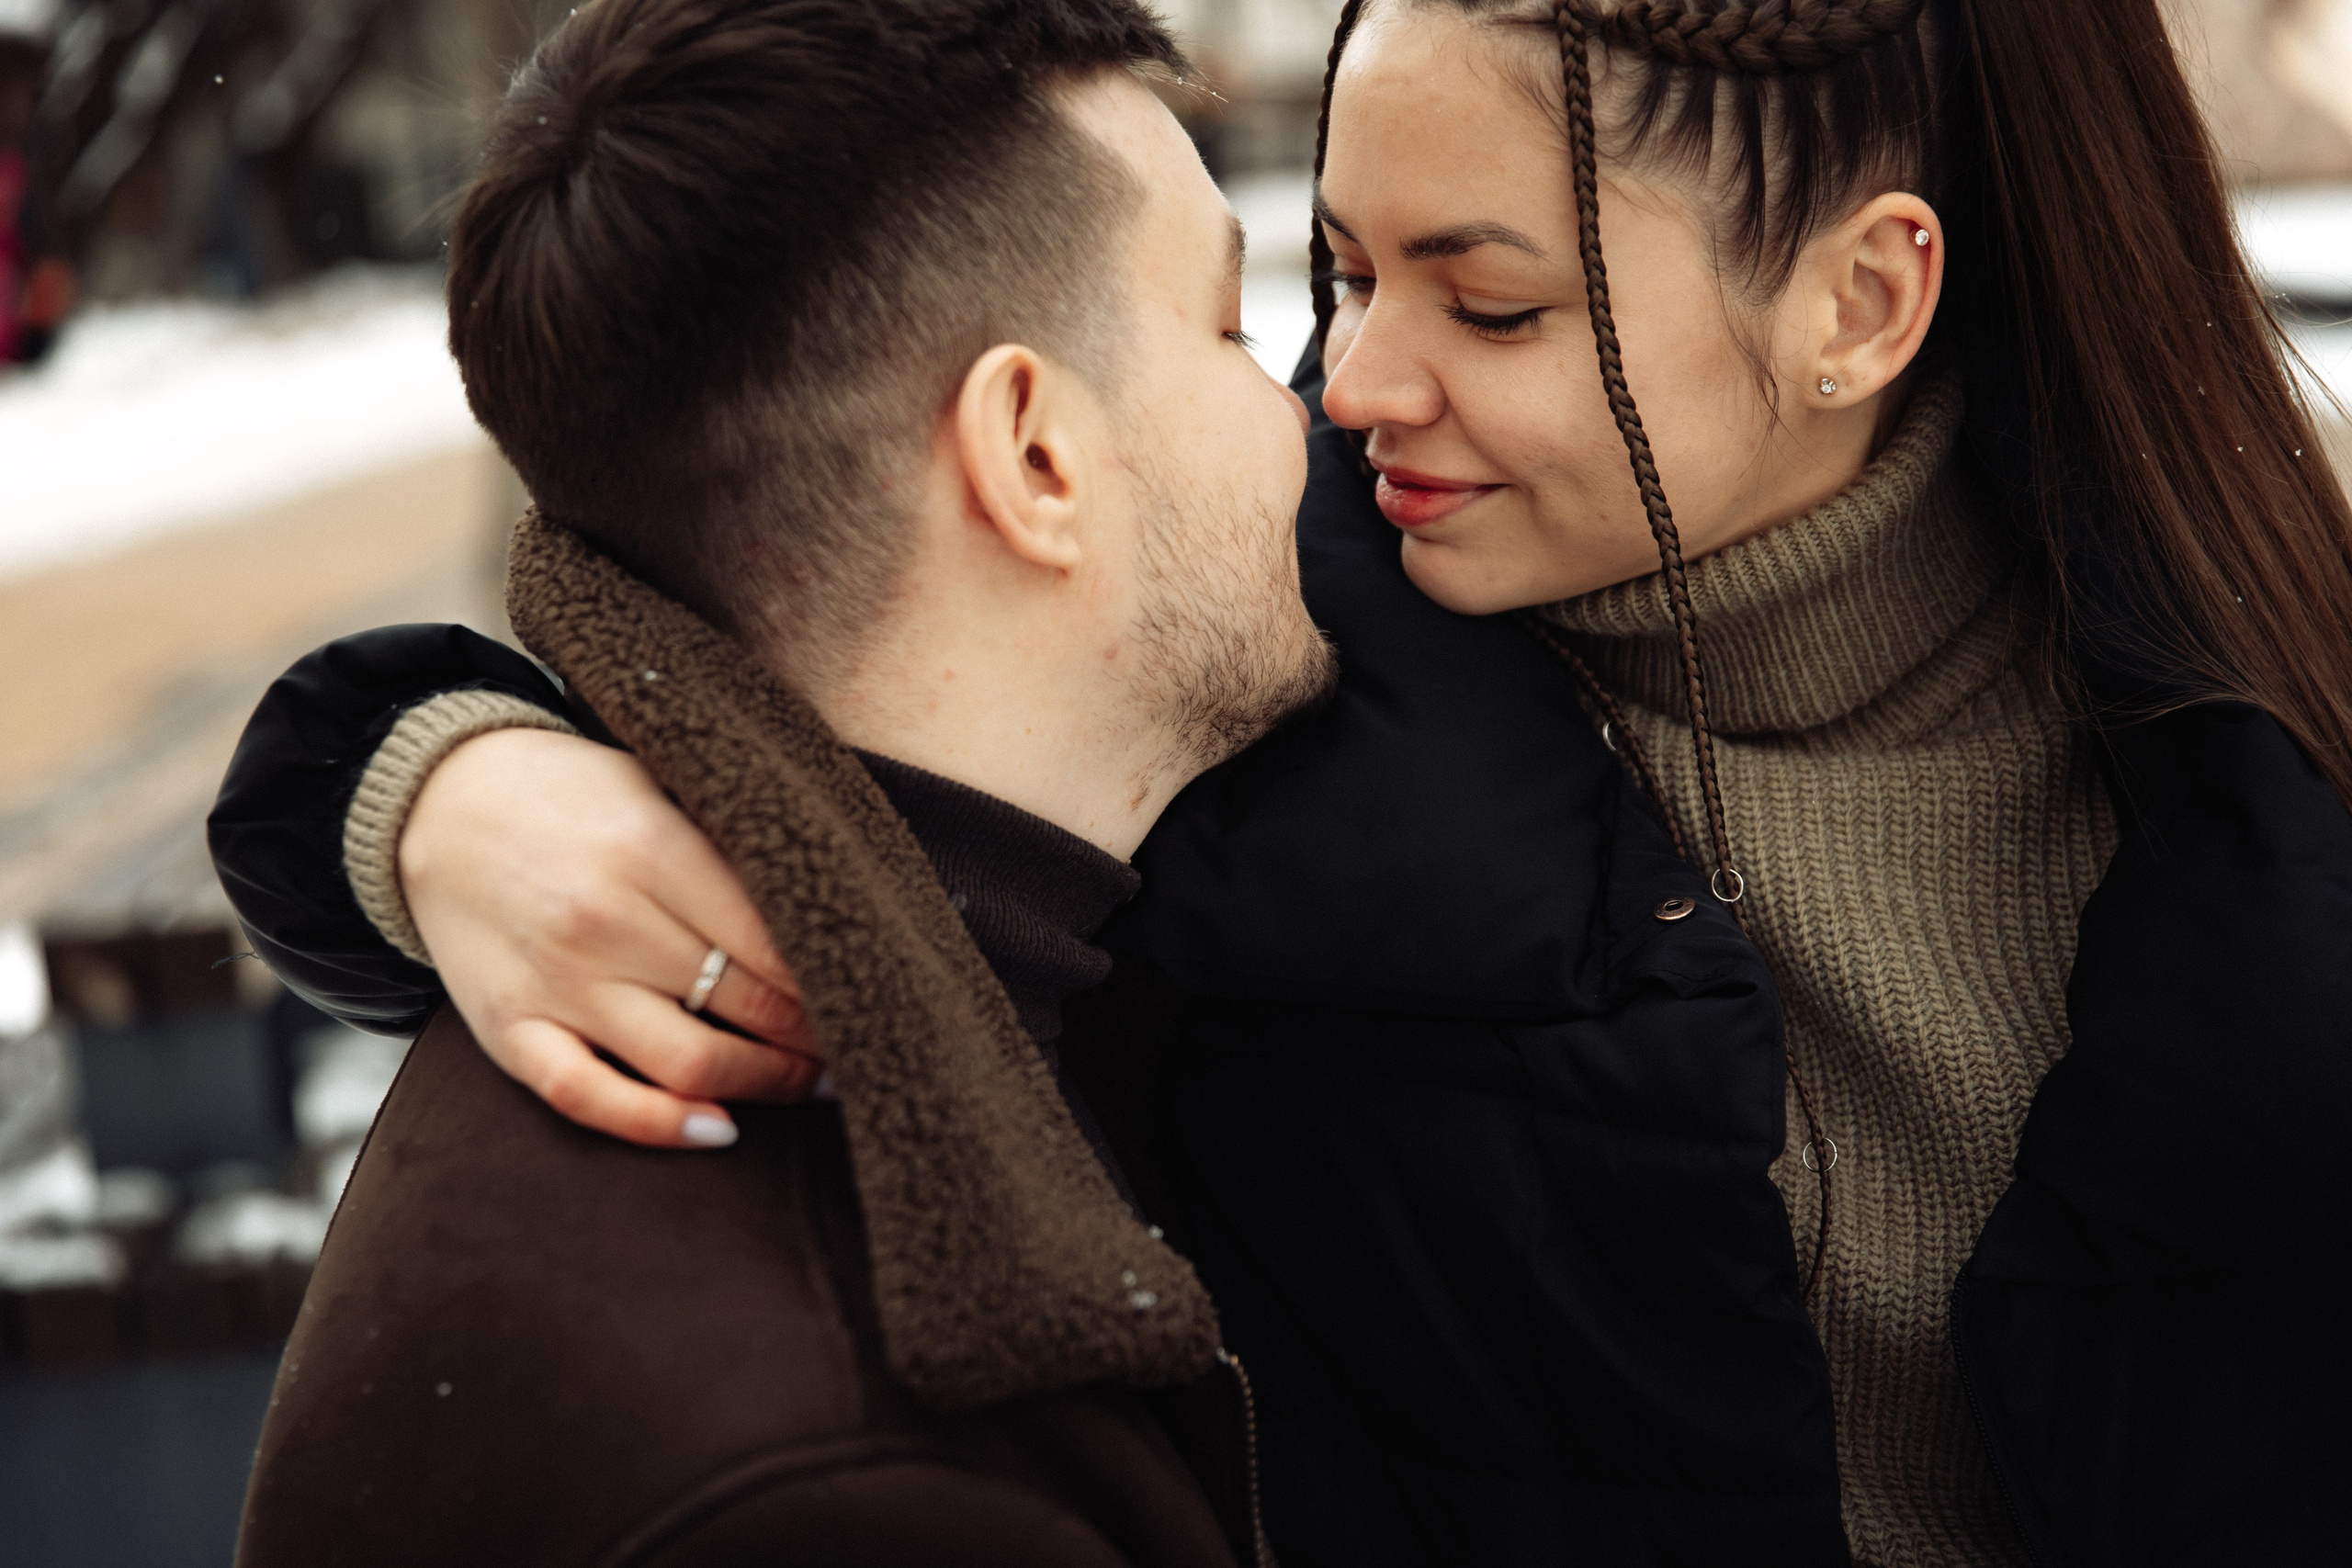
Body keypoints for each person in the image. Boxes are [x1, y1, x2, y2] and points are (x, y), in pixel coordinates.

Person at [214, 1, 2352, 1564]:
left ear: (1864, 299)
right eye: (1325, 275)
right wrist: (433, 783)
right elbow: (795, 573)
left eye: (1488, 302)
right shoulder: (1296, 662)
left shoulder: (2259, 669)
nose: (1350, 385)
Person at [224, 1, 1340, 1562]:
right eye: (1229, 329)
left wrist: (410, 771)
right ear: (1033, 458)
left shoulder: (998, 944)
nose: (1322, 408)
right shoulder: (845, 1480)